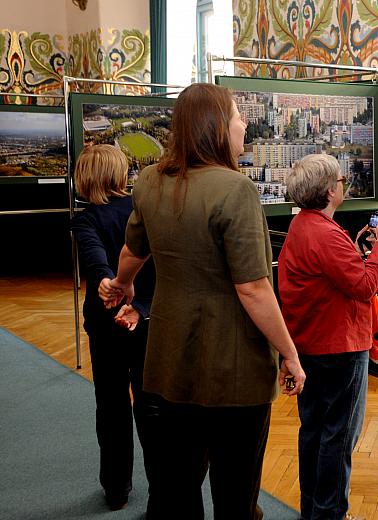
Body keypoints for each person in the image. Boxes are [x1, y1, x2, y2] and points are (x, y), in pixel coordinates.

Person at [99, 83, 306, 520]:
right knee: (235, 497)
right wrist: (289, 353)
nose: (244, 124)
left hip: (170, 361)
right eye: (237, 116)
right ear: (217, 127)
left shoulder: (151, 181)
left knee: (177, 490)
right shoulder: (236, 189)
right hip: (234, 370)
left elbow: (132, 252)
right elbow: (253, 288)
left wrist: (121, 284)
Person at [277, 154, 378, 520]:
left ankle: (313, 509)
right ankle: (330, 513)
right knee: (339, 436)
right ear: (330, 191)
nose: (344, 184)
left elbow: (337, 276)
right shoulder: (326, 234)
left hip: (309, 345)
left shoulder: (302, 225)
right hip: (338, 348)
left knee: (314, 430)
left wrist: (361, 253)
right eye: (341, 180)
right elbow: (364, 285)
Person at [70, 144, 156, 511]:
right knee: (151, 407)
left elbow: (96, 260)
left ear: (84, 178)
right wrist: (135, 301)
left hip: (105, 324)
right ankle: (162, 490)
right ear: (120, 173)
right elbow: (156, 264)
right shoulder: (143, 210)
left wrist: (109, 283)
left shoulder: (85, 220)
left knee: (111, 405)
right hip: (145, 319)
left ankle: (116, 489)